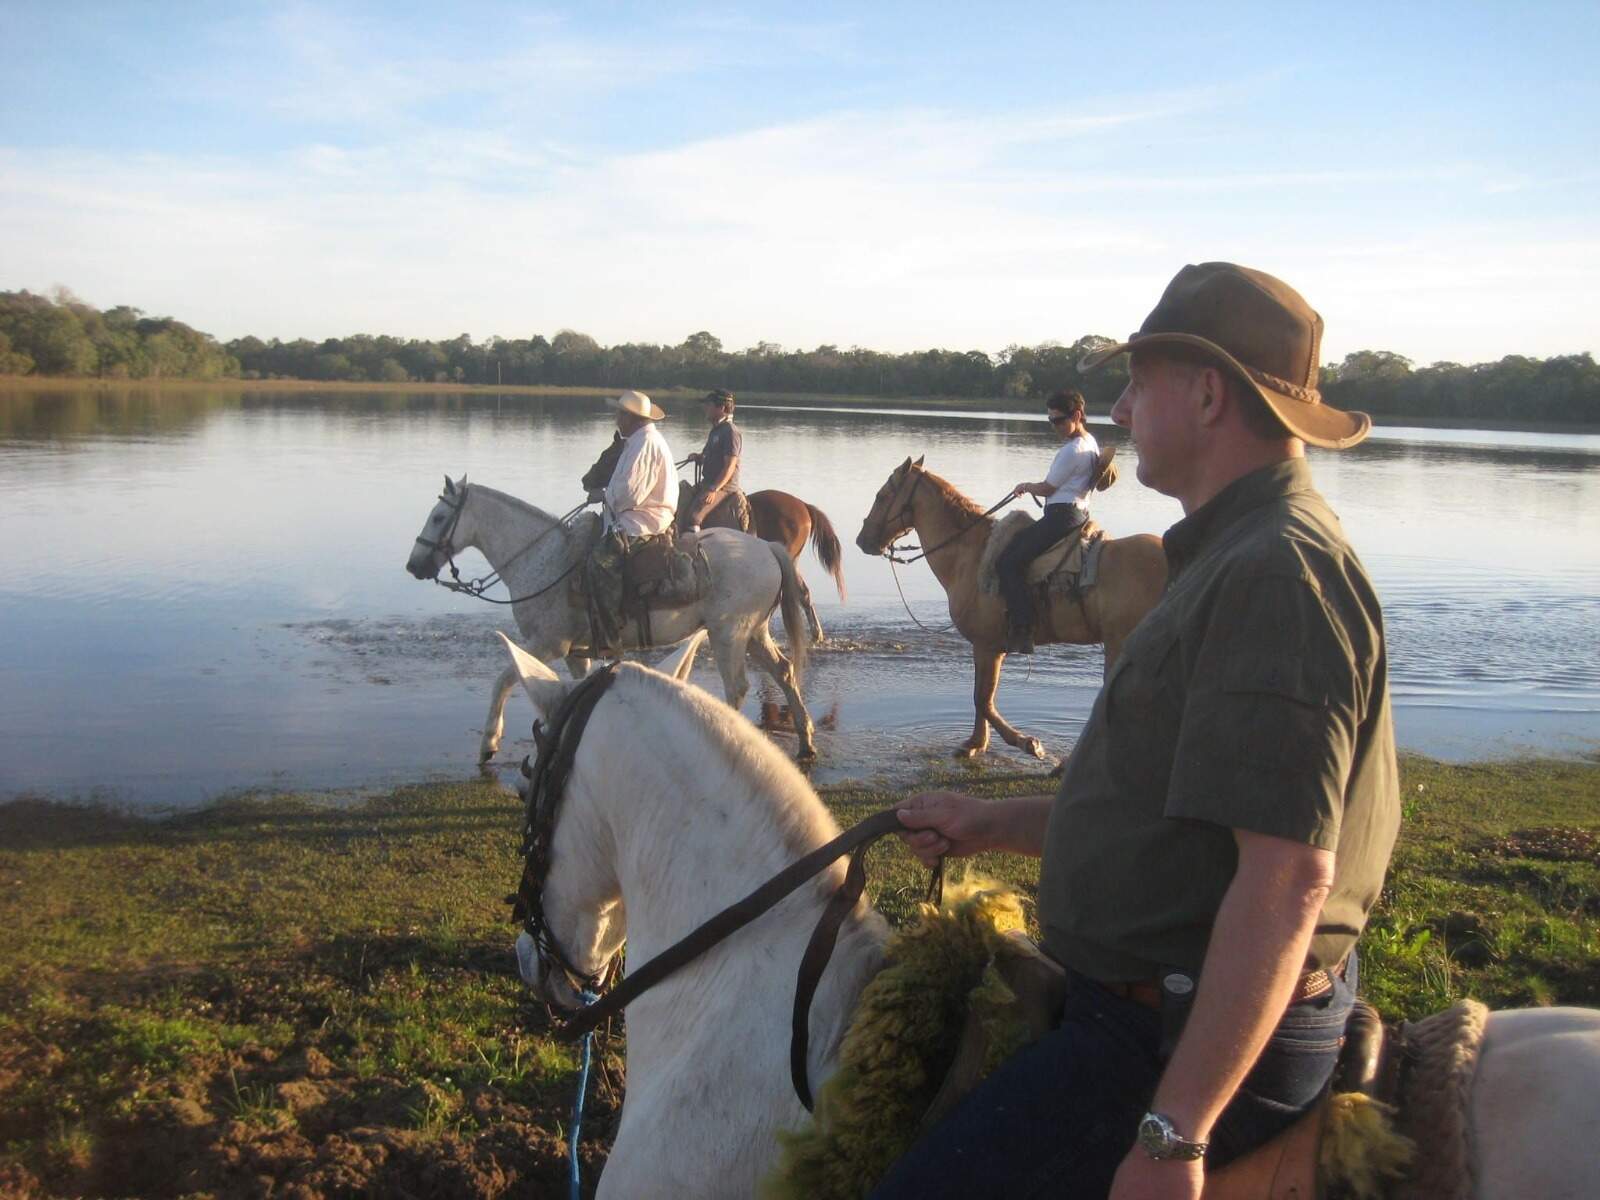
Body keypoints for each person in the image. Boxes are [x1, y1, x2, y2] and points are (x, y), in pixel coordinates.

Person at [873, 262, 1400, 1200]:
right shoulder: (1224, 555)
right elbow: (1172, 811)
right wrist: (991, 823)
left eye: (1137, 383)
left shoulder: (1275, 572)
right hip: (1150, 1011)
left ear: (1205, 394)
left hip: (1167, 1040)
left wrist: (1174, 1137)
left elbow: (1285, 880)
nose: (1117, 409)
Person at [996, 388, 1100, 654]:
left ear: (1077, 415)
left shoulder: (1072, 450)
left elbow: (1048, 488)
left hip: (1061, 516)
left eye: (1058, 420)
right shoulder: (1090, 442)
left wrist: (1025, 486)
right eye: (1050, 420)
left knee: (1007, 562)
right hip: (1079, 513)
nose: (1055, 426)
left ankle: (1023, 626)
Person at [584, 390, 676, 653]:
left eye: (619, 415)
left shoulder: (645, 443)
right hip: (632, 515)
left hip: (643, 520)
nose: (616, 420)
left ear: (632, 417)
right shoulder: (638, 440)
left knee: (599, 564)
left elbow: (631, 493)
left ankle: (609, 642)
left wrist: (603, 495)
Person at [684, 388, 746, 532]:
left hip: (724, 488)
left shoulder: (731, 431)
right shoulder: (717, 430)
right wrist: (699, 457)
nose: (705, 408)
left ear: (722, 408)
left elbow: (729, 466)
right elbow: (710, 455)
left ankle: (695, 551)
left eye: (709, 405)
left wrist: (714, 489)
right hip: (708, 483)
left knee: (693, 518)